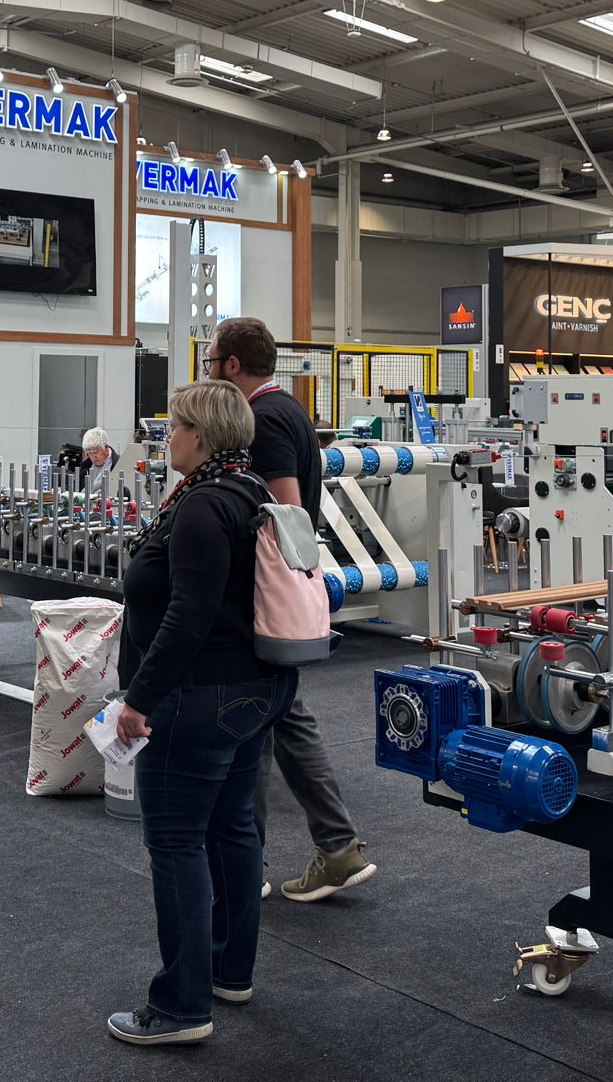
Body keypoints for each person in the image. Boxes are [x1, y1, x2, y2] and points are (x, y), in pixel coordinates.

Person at [110, 379, 296, 1046]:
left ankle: (181, 1007)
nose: (169, 439)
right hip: (253, 691)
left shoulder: (201, 506)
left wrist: (140, 698)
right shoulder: (251, 491)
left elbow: (188, 615)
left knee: (177, 843)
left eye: (176, 428)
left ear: (202, 435)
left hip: (198, 699)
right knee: (232, 829)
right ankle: (228, 971)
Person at [204, 316, 376, 903]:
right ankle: (335, 847)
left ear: (232, 365)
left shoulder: (267, 418)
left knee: (251, 719)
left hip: (261, 597)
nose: (209, 371)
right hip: (273, 596)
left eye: (210, 362)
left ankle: (247, 864)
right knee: (282, 716)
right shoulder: (290, 410)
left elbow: (286, 514)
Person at [80, 426, 121, 506]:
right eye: (89, 453)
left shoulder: (118, 464)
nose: (93, 456)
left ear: (106, 447)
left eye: (95, 452)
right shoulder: (85, 466)